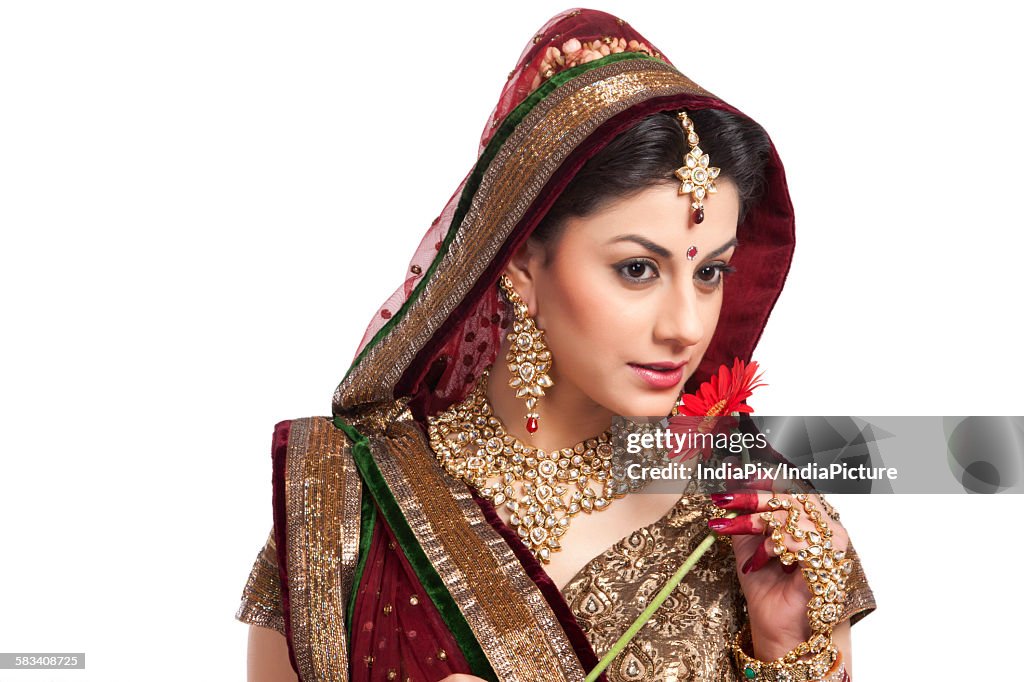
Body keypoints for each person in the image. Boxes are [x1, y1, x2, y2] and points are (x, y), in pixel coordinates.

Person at [235, 8, 876, 681]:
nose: (686, 325)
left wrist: (786, 651)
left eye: (710, 272)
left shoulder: (762, 517)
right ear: (521, 263)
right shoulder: (351, 506)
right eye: (637, 269)